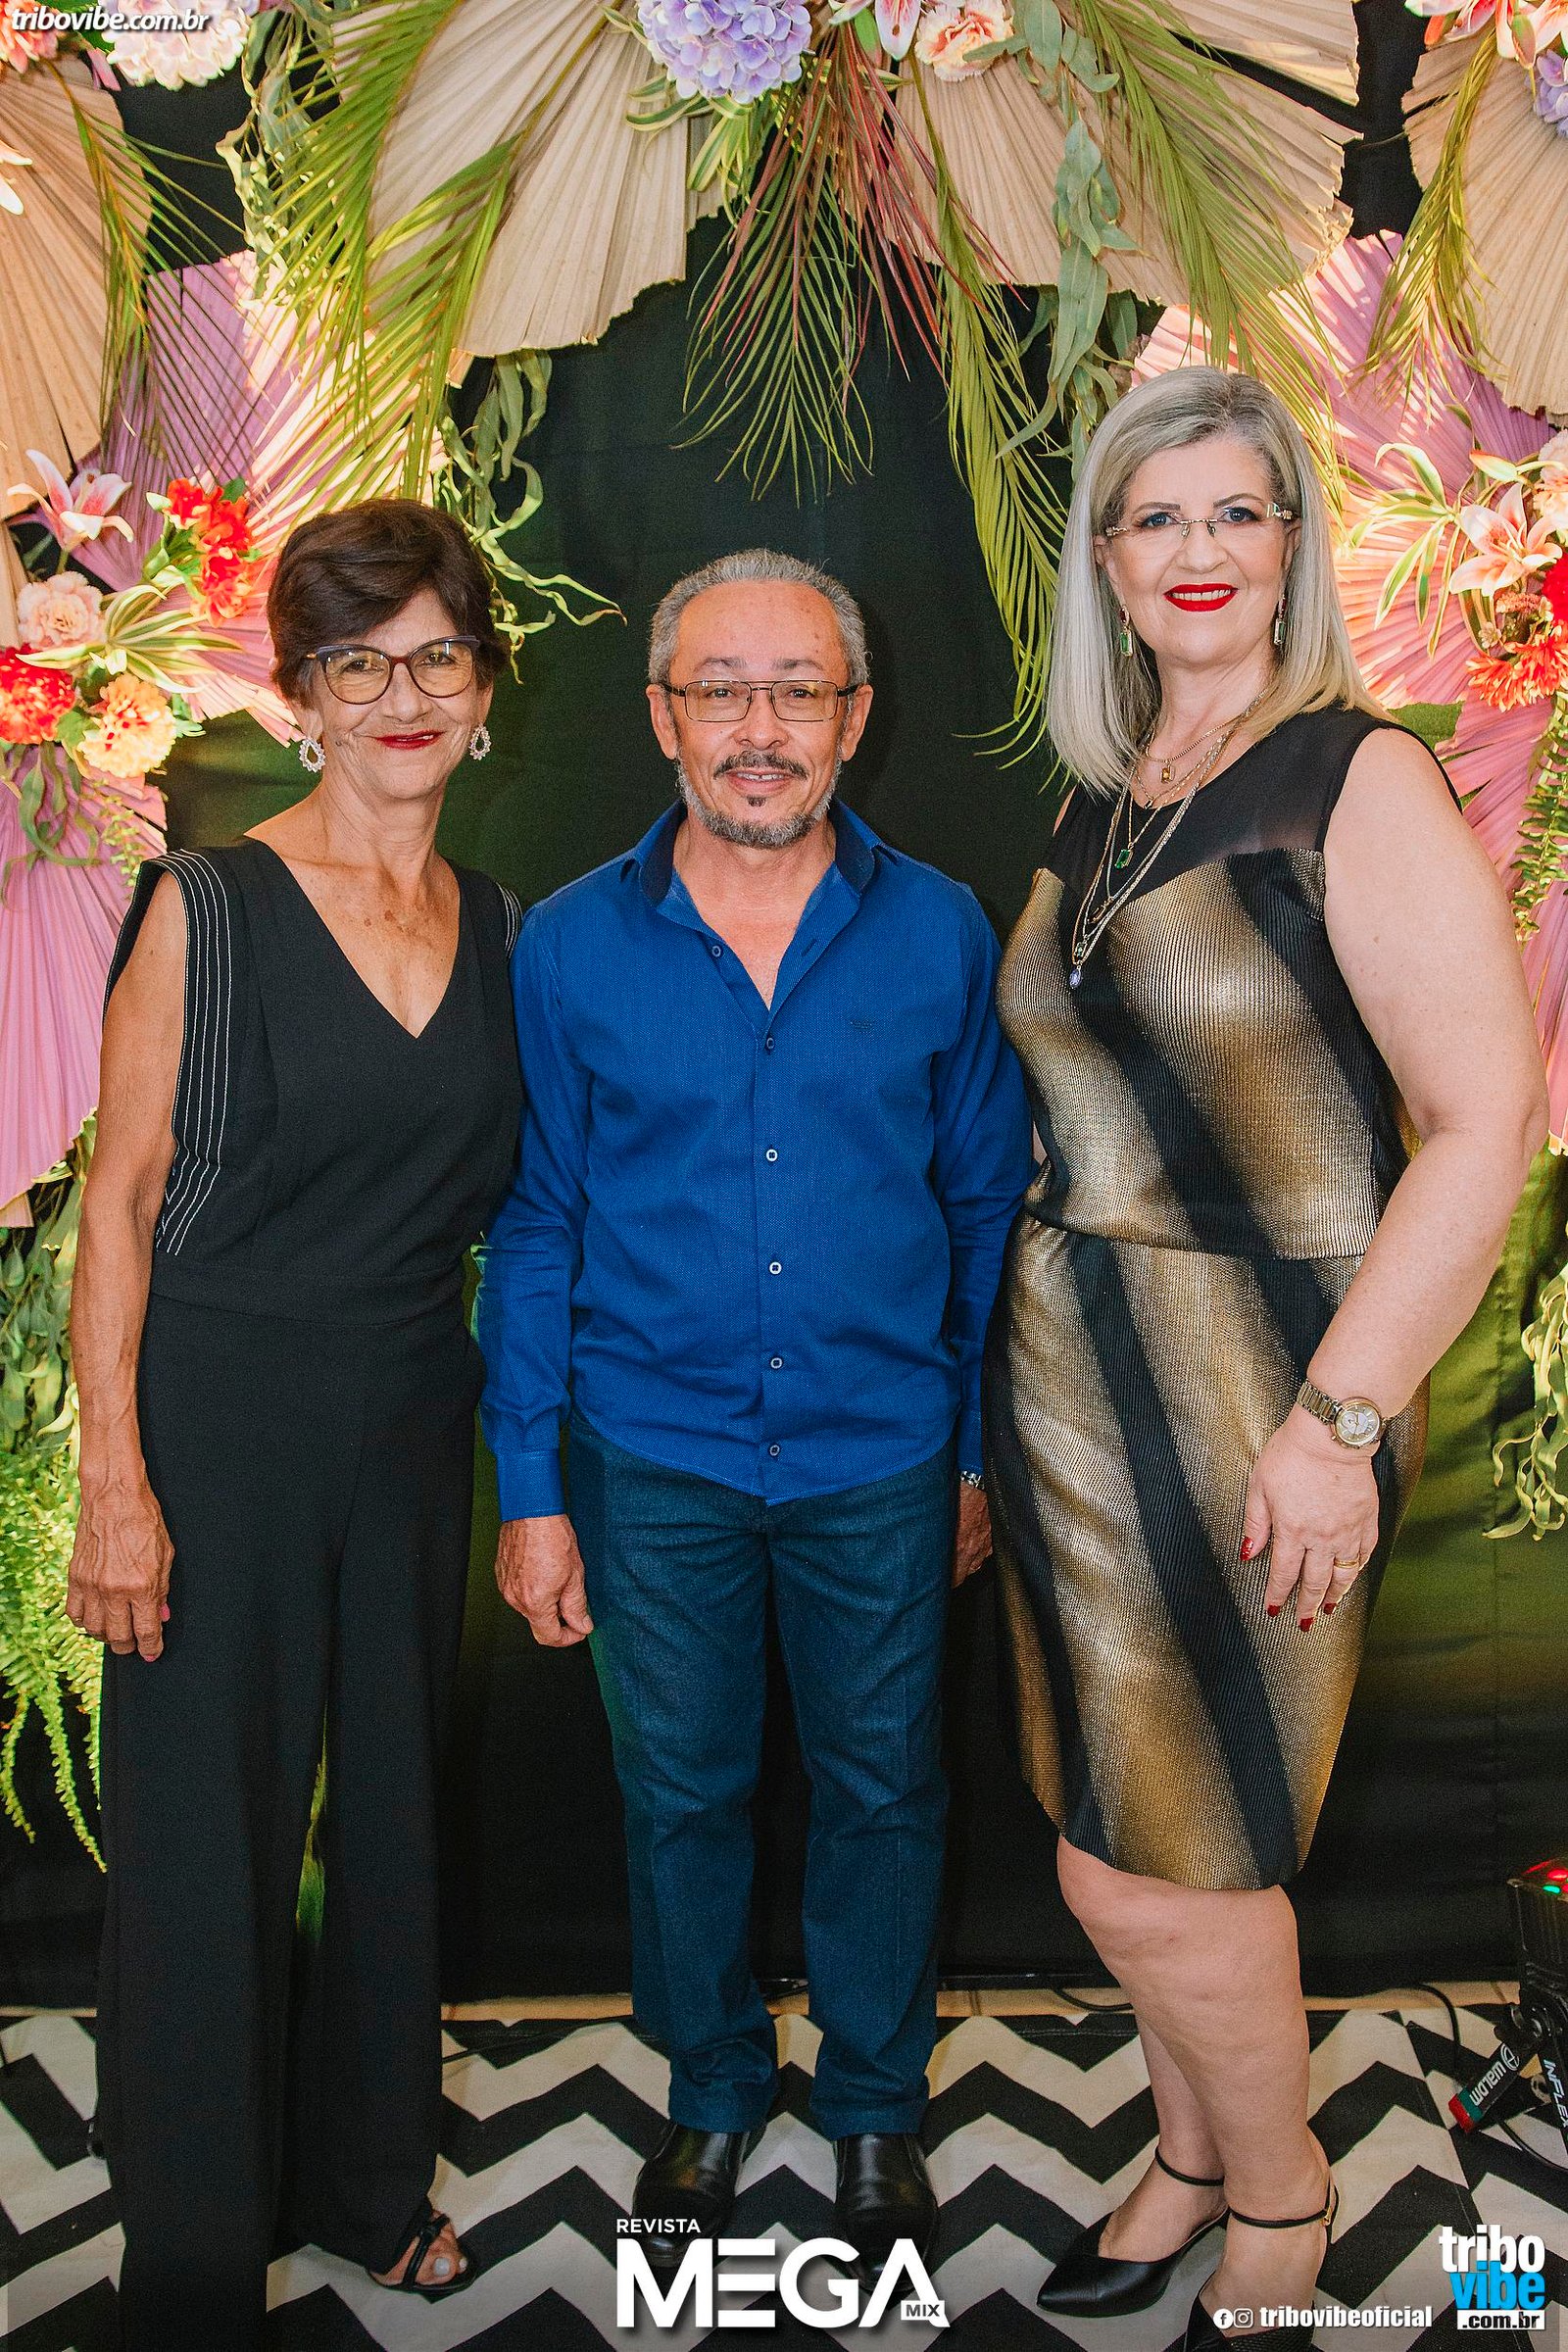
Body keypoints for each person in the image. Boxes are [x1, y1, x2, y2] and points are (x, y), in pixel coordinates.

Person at [983, 367, 1548, 2352]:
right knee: (1115, 1827)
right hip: (1067, 1378)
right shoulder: (1106, 793)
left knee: (1177, 1856)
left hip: (1261, 1387)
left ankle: (1284, 2200)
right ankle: (1188, 2150)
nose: (1198, 550)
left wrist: (1338, 1423)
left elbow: (1480, 1120)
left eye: (1237, 511)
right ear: (1105, 562)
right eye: (1156, 517)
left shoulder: (1352, 778)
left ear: (1293, 545)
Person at [475, 548, 1031, 2281]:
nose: (760, 728)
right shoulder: (568, 943)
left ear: (856, 717)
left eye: (799, 690)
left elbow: (984, 1209)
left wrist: (971, 1451)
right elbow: (541, 1219)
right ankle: (711, 2084)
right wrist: (530, 1485)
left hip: (884, 1453)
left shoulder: (941, 928)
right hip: (652, 1457)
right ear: (662, 717)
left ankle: (872, 2106)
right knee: (681, 1795)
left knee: (886, 1792)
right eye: (721, 690)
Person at [69, 500, 524, 2349]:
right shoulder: (210, 905)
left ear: (484, 689)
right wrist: (115, 1481)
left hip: (413, 1414)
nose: (400, 698)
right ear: (301, 697)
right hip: (221, 1411)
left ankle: (364, 2191)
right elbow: (118, 1201)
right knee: (208, 1840)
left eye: (434, 658)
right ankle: (191, 2267)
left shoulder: (501, 925)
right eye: (356, 664)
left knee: (395, 1812)